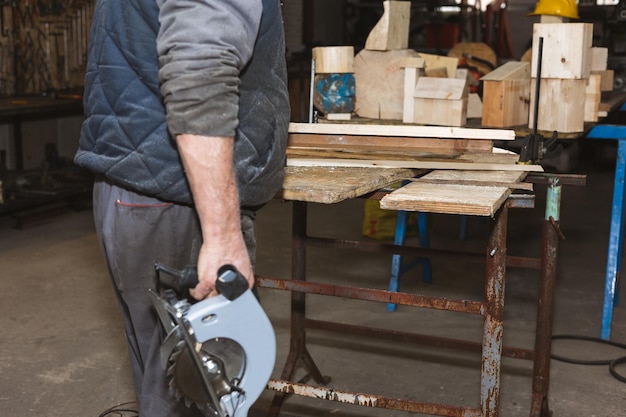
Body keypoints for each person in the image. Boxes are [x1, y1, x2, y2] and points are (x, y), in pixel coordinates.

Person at [74, 0, 290, 416]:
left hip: (144, 190)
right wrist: (223, 234)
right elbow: (199, 73)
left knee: (167, 384)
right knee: (198, 390)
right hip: (178, 199)